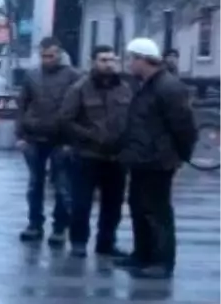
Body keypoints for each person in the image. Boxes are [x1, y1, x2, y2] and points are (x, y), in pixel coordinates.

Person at [115, 38, 197, 279]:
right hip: (141, 159)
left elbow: (184, 126)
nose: (129, 64)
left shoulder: (168, 87)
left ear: (143, 59)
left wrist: (182, 154)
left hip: (158, 160)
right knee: (139, 208)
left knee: (157, 211)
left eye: (131, 58)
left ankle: (162, 261)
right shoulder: (146, 84)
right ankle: (142, 255)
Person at [59, 45, 131, 258]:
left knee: (113, 204)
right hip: (87, 155)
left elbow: (133, 118)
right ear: (93, 62)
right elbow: (66, 120)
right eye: (103, 60)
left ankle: (106, 243)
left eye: (112, 60)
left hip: (117, 157)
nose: (108, 64)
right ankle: (79, 242)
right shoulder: (79, 88)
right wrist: (89, 135)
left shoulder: (125, 88)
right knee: (82, 203)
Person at [16, 36, 81, 247]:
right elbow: (22, 105)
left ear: (59, 54)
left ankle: (59, 227)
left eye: (51, 56)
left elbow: (80, 110)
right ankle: (35, 224)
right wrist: (20, 136)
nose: (47, 60)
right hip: (34, 136)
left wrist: (73, 140)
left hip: (61, 137)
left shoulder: (73, 76)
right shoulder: (32, 75)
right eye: (43, 56)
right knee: (35, 183)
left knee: (62, 184)